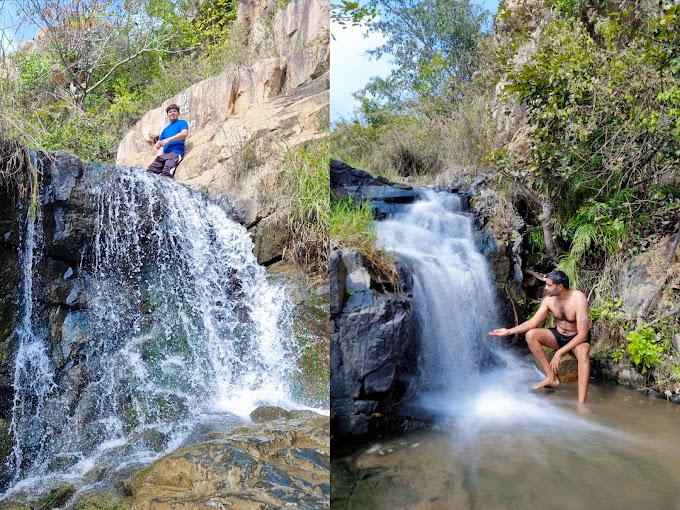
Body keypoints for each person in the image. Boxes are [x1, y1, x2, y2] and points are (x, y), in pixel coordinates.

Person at [489, 270, 591, 403]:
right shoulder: (549, 300)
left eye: (549, 285)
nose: (545, 288)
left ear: (559, 287)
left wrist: (559, 353)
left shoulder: (578, 298)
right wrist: (508, 331)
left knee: (583, 352)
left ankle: (581, 402)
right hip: (559, 336)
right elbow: (532, 323)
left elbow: (583, 335)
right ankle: (551, 377)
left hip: (576, 339)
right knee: (531, 335)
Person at [146, 103, 189, 177]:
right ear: (168, 115)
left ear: (178, 113)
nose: (172, 113)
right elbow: (160, 142)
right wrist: (156, 147)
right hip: (164, 155)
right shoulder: (165, 130)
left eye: (174, 111)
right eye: (170, 112)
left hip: (175, 153)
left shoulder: (182, 123)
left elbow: (184, 134)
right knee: (149, 172)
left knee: (166, 173)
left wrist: (169, 139)